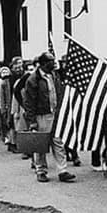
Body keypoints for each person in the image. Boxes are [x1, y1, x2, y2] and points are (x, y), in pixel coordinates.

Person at [23, 52, 76, 183]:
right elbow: (29, 102)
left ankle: (62, 170)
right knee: (40, 144)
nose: (54, 63)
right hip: (41, 115)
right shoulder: (33, 79)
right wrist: (32, 121)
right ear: (44, 64)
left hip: (55, 114)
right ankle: (40, 170)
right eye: (51, 61)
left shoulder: (54, 75)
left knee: (58, 142)